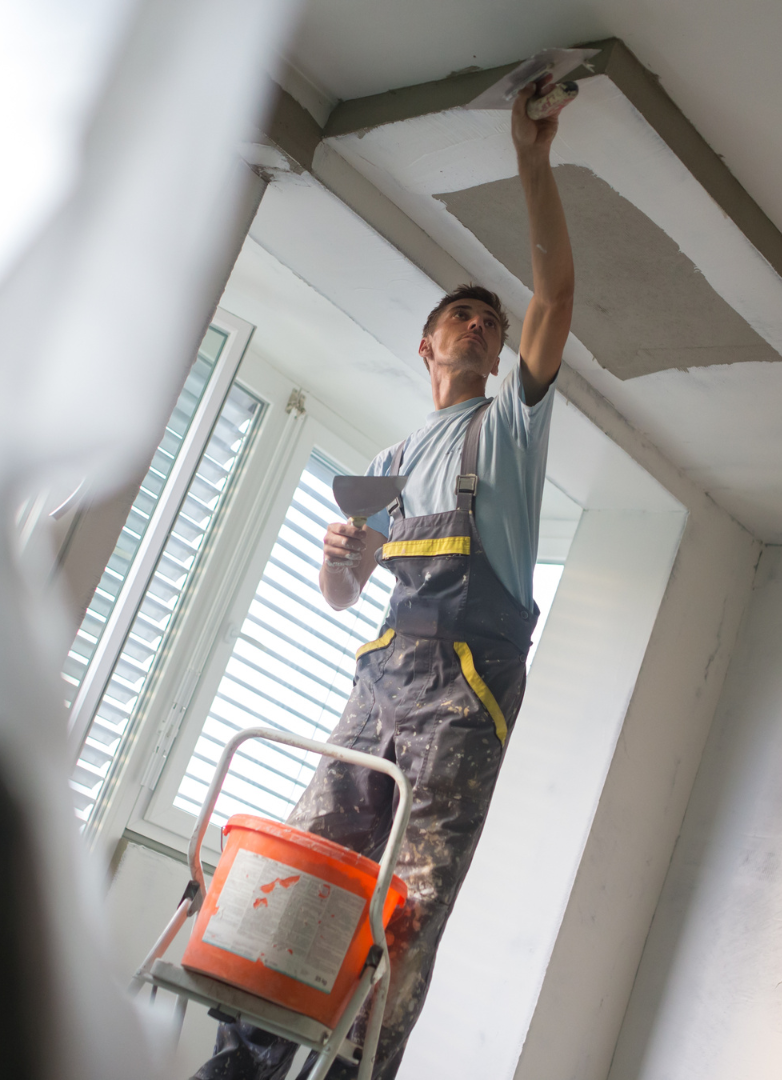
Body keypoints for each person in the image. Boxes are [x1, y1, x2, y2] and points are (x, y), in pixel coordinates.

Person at [194, 79, 574, 1080]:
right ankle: (241, 1063)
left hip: (460, 697)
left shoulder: (511, 432)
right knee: (299, 876)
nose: (483, 324)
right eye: (463, 313)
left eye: (492, 319)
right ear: (429, 342)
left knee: (405, 911)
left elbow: (557, 296)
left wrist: (531, 159)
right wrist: (336, 564)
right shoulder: (383, 463)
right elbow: (340, 595)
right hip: (374, 691)